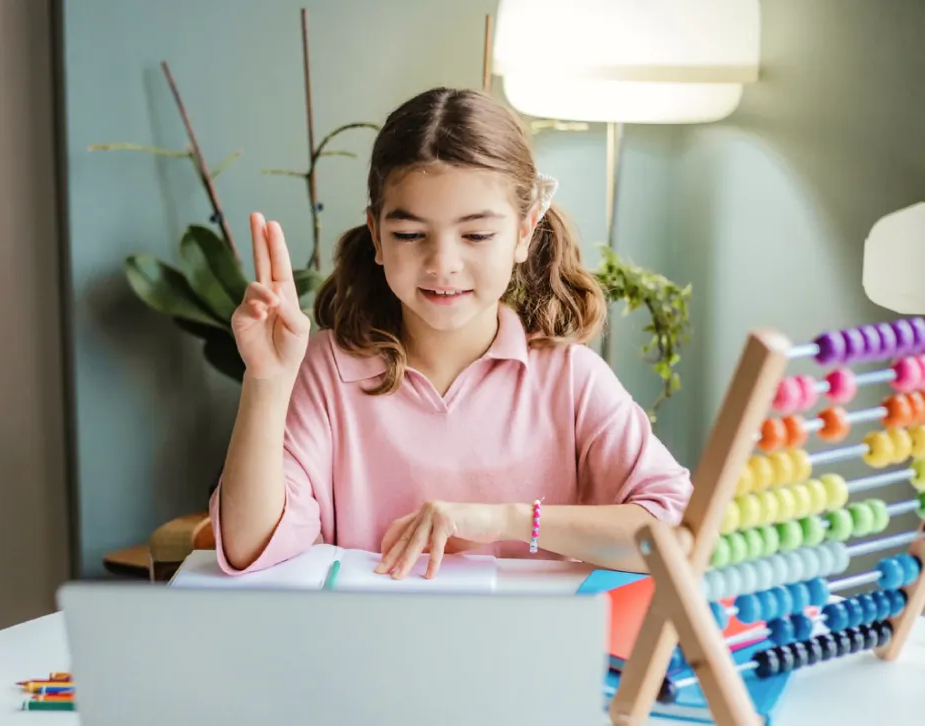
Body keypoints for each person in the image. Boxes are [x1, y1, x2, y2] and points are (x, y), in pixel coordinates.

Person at [211, 87, 692, 581]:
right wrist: (267, 381)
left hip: (528, 652)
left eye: (477, 235)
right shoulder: (325, 373)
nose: (443, 264)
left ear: (524, 233)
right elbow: (249, 547)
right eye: (410, 235)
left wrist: (505, 519)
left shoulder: (571, 380)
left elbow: (676, 534)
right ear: (376, 236)